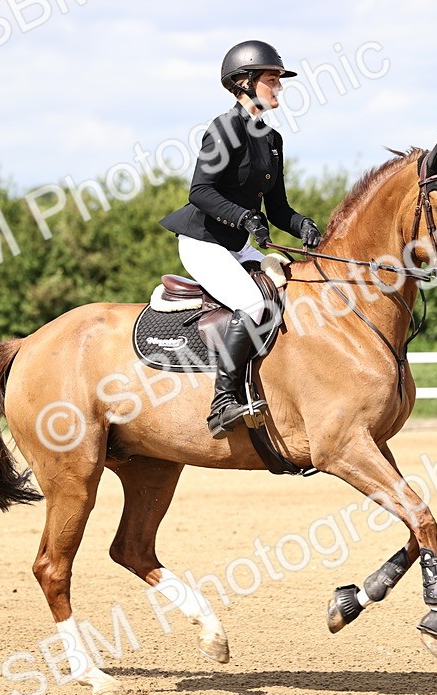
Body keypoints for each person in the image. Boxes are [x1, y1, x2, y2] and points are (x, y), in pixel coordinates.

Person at [160, 40, 323, 439]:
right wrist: (244, 216)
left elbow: (278, 208)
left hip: (237, 243)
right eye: (271, 80)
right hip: (204, 242)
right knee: (252, 303)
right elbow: (200, 191)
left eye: (278, 81)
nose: (278, 87)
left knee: (290, 293)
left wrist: (301, 224)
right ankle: (222, 404)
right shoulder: (225, 128)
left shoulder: (272, 141)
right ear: (243, 82)